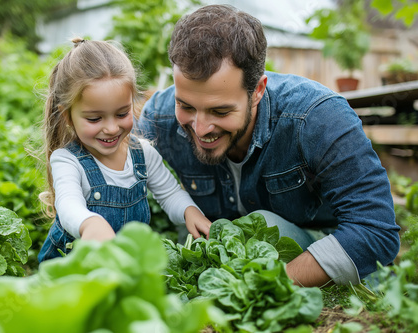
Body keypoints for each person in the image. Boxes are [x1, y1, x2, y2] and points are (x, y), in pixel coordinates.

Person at [137, 4, 400, 287]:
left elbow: (375, 230)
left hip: (310, 251)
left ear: (258, 91)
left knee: (264, 226)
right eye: (185, 105)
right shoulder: (159, 118)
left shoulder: (316, 117)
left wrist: (269, 286)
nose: (201, 129)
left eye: (221, 112)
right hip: (214, 266)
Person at [37, 38, 211, 262]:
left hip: (125, 264)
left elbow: (169, 193)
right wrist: (90, 224)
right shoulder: (68, 160)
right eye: (94, 118)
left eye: (121, 114)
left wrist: (189, 210)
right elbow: (68, 204)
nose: (111, 128)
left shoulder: (143, 153)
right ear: (67, 116)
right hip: (72, 268)